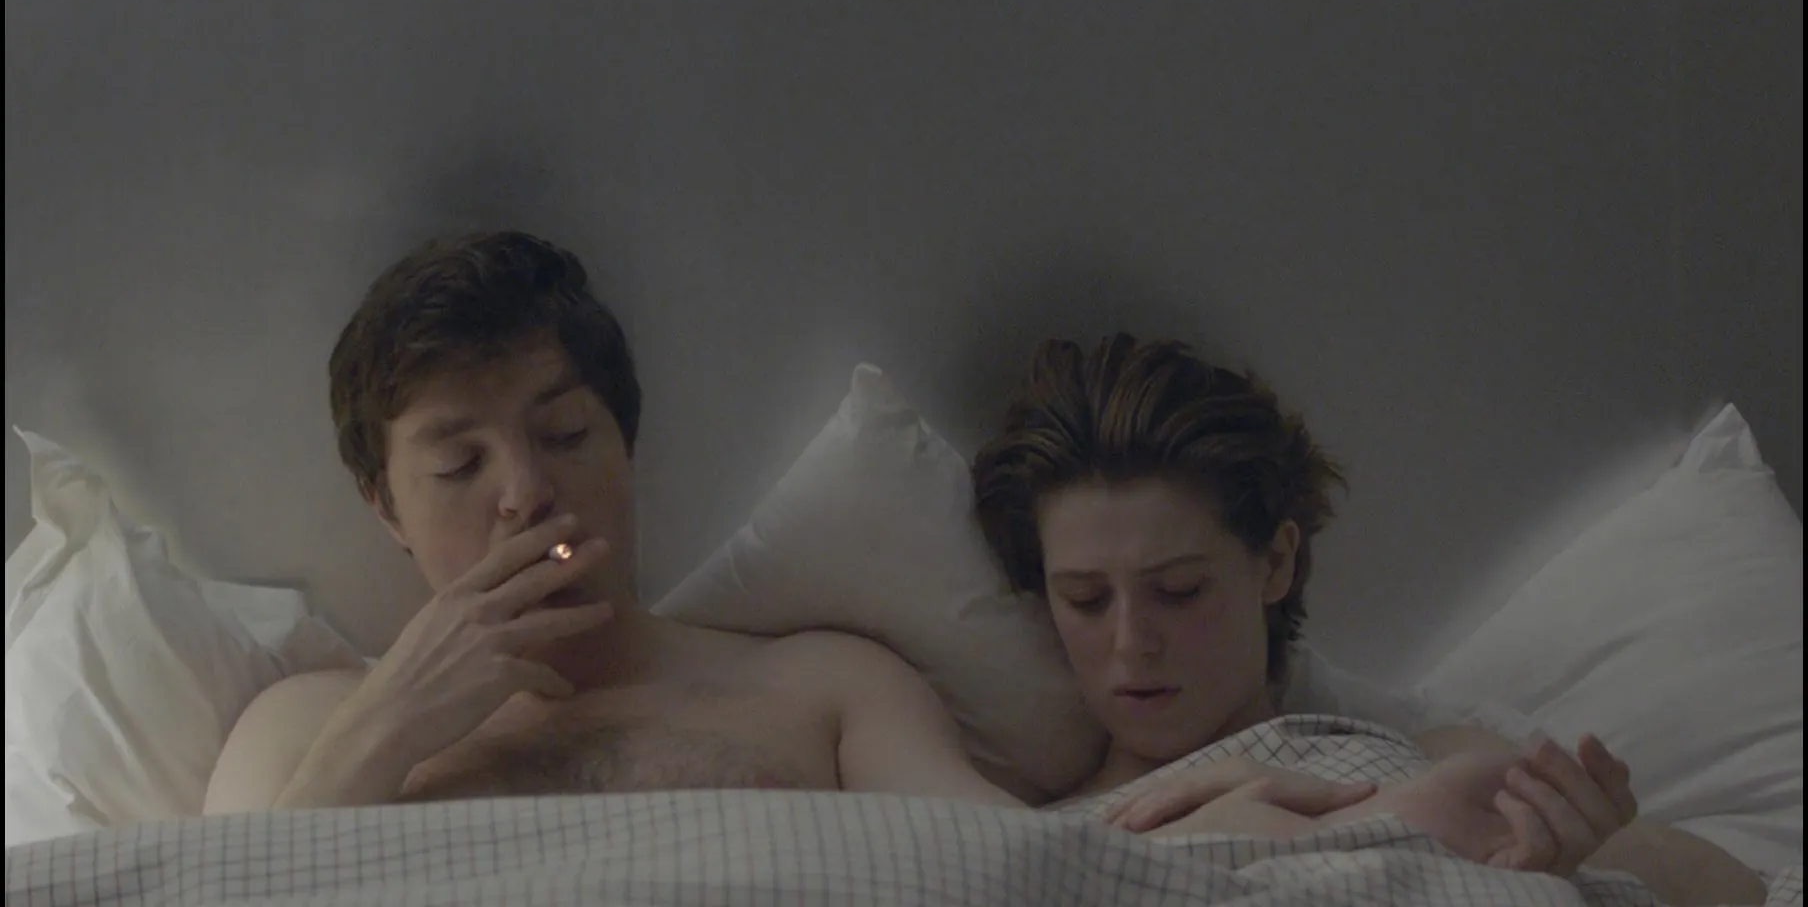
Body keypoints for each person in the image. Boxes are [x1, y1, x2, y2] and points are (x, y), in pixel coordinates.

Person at [204, 231, 1023, 813]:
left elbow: (1006, 870)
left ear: (626, 448)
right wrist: (384, 732)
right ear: (386, 508)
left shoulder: (824, 691)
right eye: (459, 465)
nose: (526, 493)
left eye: (564, 437)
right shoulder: (301, 729)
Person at [969, 334, 1768, 906]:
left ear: (1275, 564)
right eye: (1086, 600)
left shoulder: (1414, 757)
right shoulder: (1015, 833)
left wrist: (1570, 842)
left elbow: (1746, 889)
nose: (1131, 642)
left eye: (1179, 591)